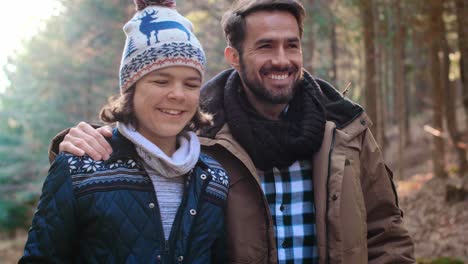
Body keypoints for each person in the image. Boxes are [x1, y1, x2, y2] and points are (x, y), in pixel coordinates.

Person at [49, 0, 415, 263]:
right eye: (265, 46)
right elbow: (141, 139)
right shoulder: (201, 134)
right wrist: (76, 143)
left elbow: (387, 231)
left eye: (292, 45)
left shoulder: (347, 129)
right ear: (234, 56)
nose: (282, 60)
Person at [20, 1, 228, 263]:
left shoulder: (214, 178)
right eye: (161, 81)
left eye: (191, 84)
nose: (177, 94)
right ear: (131, 89)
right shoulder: (79, 168)